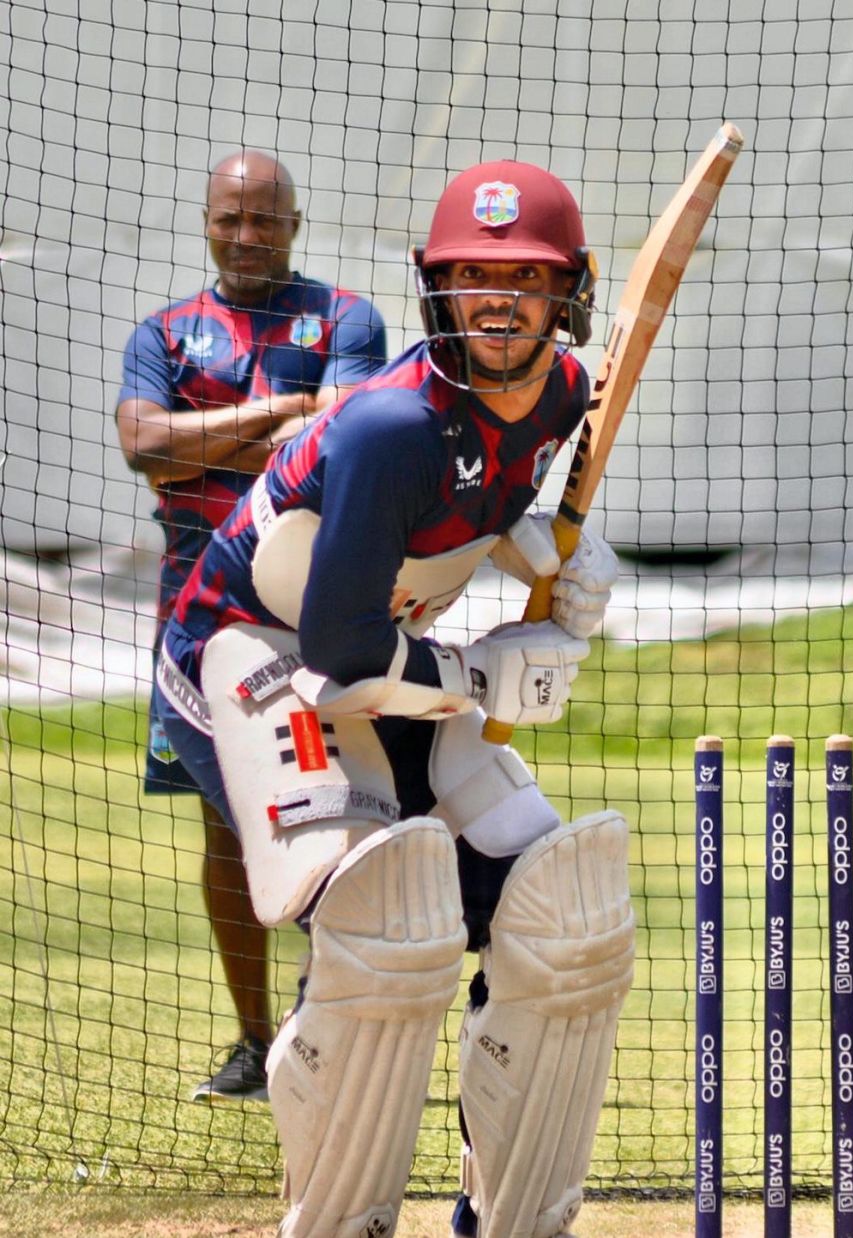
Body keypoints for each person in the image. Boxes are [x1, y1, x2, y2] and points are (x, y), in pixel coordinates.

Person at [152, 159, 634, 1238]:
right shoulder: (388, 426)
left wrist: (551, 550)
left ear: (570, 294)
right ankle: (337, 1221)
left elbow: (487, 486)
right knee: (389, 925)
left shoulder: (561, 392)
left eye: (526, 279)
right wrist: (486, 672)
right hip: (245, 651)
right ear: (438, 288)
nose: (498, 301)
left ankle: (510, 1216)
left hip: (374, 652)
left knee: (568, 917)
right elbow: (336, 638)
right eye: (473, 275)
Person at [115, 149, 388, 1103]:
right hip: (194, 610)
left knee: (338, 806)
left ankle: (332, 1025)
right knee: (222, 826)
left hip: (307, 601)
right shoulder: (166, 331)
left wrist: (216, 435)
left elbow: (342, 435)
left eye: (265, 219)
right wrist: (281, 408)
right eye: (230, 219)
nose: (246, 236)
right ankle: (253, 1043)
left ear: (294, 223)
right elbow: (145, 448)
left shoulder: (347, 317)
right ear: (206, 220)